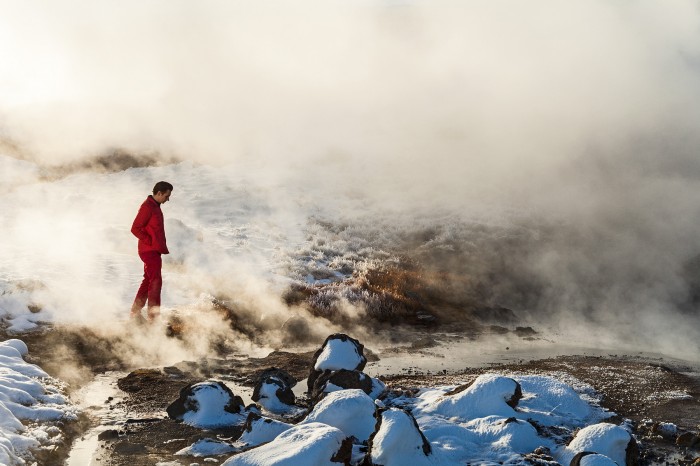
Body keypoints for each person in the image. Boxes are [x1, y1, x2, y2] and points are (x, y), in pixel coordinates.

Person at [130, 181, 173, 322]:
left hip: (153, 250)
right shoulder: (147, 207)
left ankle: (135, 312)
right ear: (159, 193)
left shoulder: (155, 206)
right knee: (156, 281)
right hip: (148, 251)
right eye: (167, 196)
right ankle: (154, 318)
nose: (168, 199)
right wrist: (149, 241)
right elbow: (135, 228)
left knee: (148, 280)